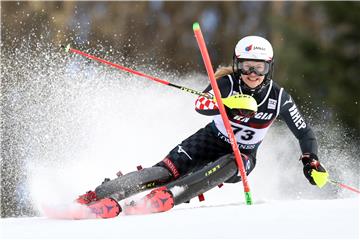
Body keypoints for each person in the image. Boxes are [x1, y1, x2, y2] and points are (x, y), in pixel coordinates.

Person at [75, 36, 328, 218]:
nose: (252, 73)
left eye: (259, 67)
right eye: (246, 66)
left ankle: (169, 196)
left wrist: (311, 159)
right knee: (165, 171)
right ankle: (100, 194)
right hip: (209, 140)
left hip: (243, 155)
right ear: (237, 65)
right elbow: (200, 104)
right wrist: (227, 105)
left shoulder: (279, 98)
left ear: (269, 68)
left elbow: (304, 132)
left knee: (235, 160)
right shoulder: (228, 83)